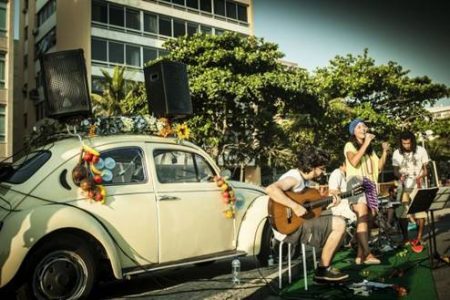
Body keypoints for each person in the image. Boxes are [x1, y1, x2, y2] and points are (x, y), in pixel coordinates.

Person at [266, 146, 349, 282]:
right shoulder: (294, 178)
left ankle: (324, 268)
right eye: (321, 168)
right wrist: (294, 206)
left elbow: (311, 210)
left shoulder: (303, 181)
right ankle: (323, 270)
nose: (323, 172)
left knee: (338, 221)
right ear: (311, 166)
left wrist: (329, 203)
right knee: (339, 224)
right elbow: (271, 189)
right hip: (288, 229)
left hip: (297, 224)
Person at [344, 118, 390, 265]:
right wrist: (366, 143)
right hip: (356, 183)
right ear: (353, 132)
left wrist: (384, 152)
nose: (363, 129)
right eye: (359, 127)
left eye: (364, 126)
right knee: (362, 216)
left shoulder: (370, 151)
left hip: (370, 185)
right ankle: (368, 254)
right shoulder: (349, 145)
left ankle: (360, 255)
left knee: (370, 218)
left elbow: (379, 168)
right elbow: (354, 161)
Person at [392, 131, 430, 253]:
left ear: (412, 141)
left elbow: (425, 170)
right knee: (402, 212)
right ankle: (406, 238)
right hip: (403, 186)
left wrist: (419, 177)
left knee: (420, 213)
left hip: (417, 185)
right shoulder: (396, 153)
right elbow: (395, 171)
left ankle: (419, 237)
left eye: (409, 143)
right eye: (404, 143)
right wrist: (400, 176)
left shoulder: (421, 150)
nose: (407, 146)